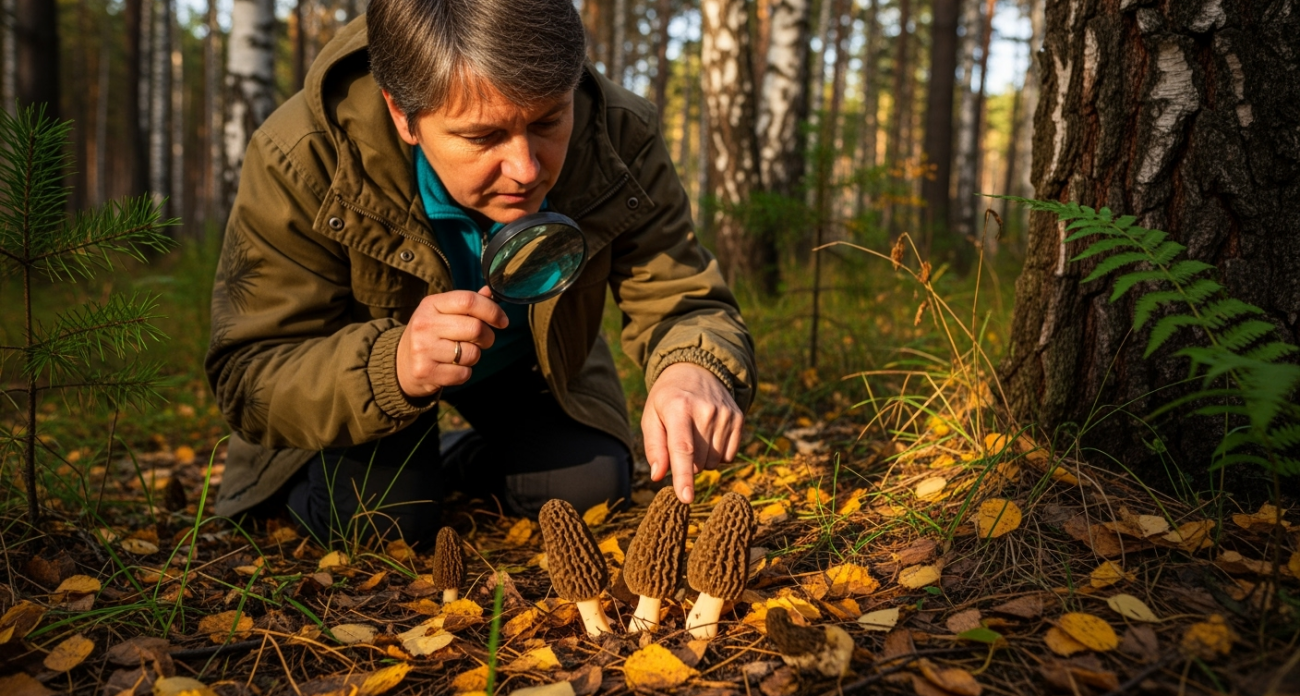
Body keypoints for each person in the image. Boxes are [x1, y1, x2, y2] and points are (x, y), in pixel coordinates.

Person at [205, 0, 756, 547]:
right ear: (404, 116)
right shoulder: (303, 156)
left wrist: (693, 366)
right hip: (362, 377)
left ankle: (447, 468)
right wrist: (392, 365)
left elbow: (683, 298)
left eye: (547, 121)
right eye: (481, 137)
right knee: (383, 523)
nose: (526, 169)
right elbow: (248, 369)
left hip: (527, 366)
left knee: (588, 486)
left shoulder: (617, 131)